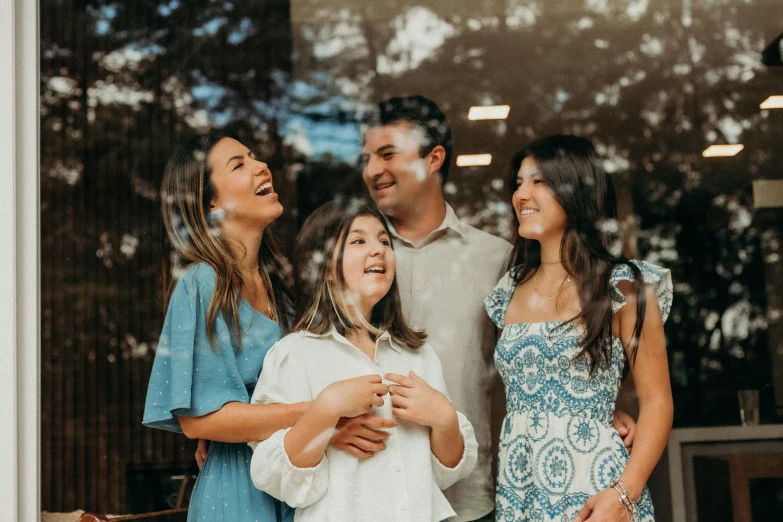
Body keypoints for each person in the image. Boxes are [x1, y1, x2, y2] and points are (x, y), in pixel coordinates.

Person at [357, 95, 637, 521]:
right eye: (367, 158)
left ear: (434, 159)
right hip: (373, 494)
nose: (372, 170)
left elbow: (534, 353)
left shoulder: (500, 261)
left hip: (478, 499)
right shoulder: (354, 260)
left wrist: (593, 405)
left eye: (387, 154)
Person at [142, 132, 383, 521]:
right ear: (211, 202)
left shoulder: (283, 289)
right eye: (239, 164)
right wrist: (321, 414)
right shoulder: (200, 283)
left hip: (295, 476)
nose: (261, 166)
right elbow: (198, 420)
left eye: (255, 156)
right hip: (237, 490)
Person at [248, 201, 478, 521]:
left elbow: (447, 472)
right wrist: (326, 409)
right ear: (325, 267)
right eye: (358, 241)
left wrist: (444, 419)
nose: (378, 250)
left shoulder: (418, 355)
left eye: (385, 241)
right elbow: (274, 477)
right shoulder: (294, 355)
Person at [484, 135, 673, 522]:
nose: (522, 194)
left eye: (538, 181)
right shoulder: (507, 289)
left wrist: (624, 495)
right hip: (519, 490)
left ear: (577, 189)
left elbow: (657, 401)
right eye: (519, 183)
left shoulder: (623, 287)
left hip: (597, 492)